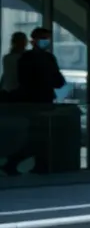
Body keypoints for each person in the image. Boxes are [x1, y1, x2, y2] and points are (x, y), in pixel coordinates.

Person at [2, 28, 65, 175]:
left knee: (38, 136)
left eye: (48, 39)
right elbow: (58, 81)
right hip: (39, 102)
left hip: (36, 101)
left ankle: (26, 163)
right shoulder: (46, 58)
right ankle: (27, 163)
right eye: (44, 39)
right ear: (34, 41)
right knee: (41, 136)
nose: (47, 42)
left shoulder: (27, 58)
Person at [0, 31, 27, 100]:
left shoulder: (6, 57)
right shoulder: (27, 57)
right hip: (21, 92)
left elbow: (5, 75)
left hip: (6, 91)